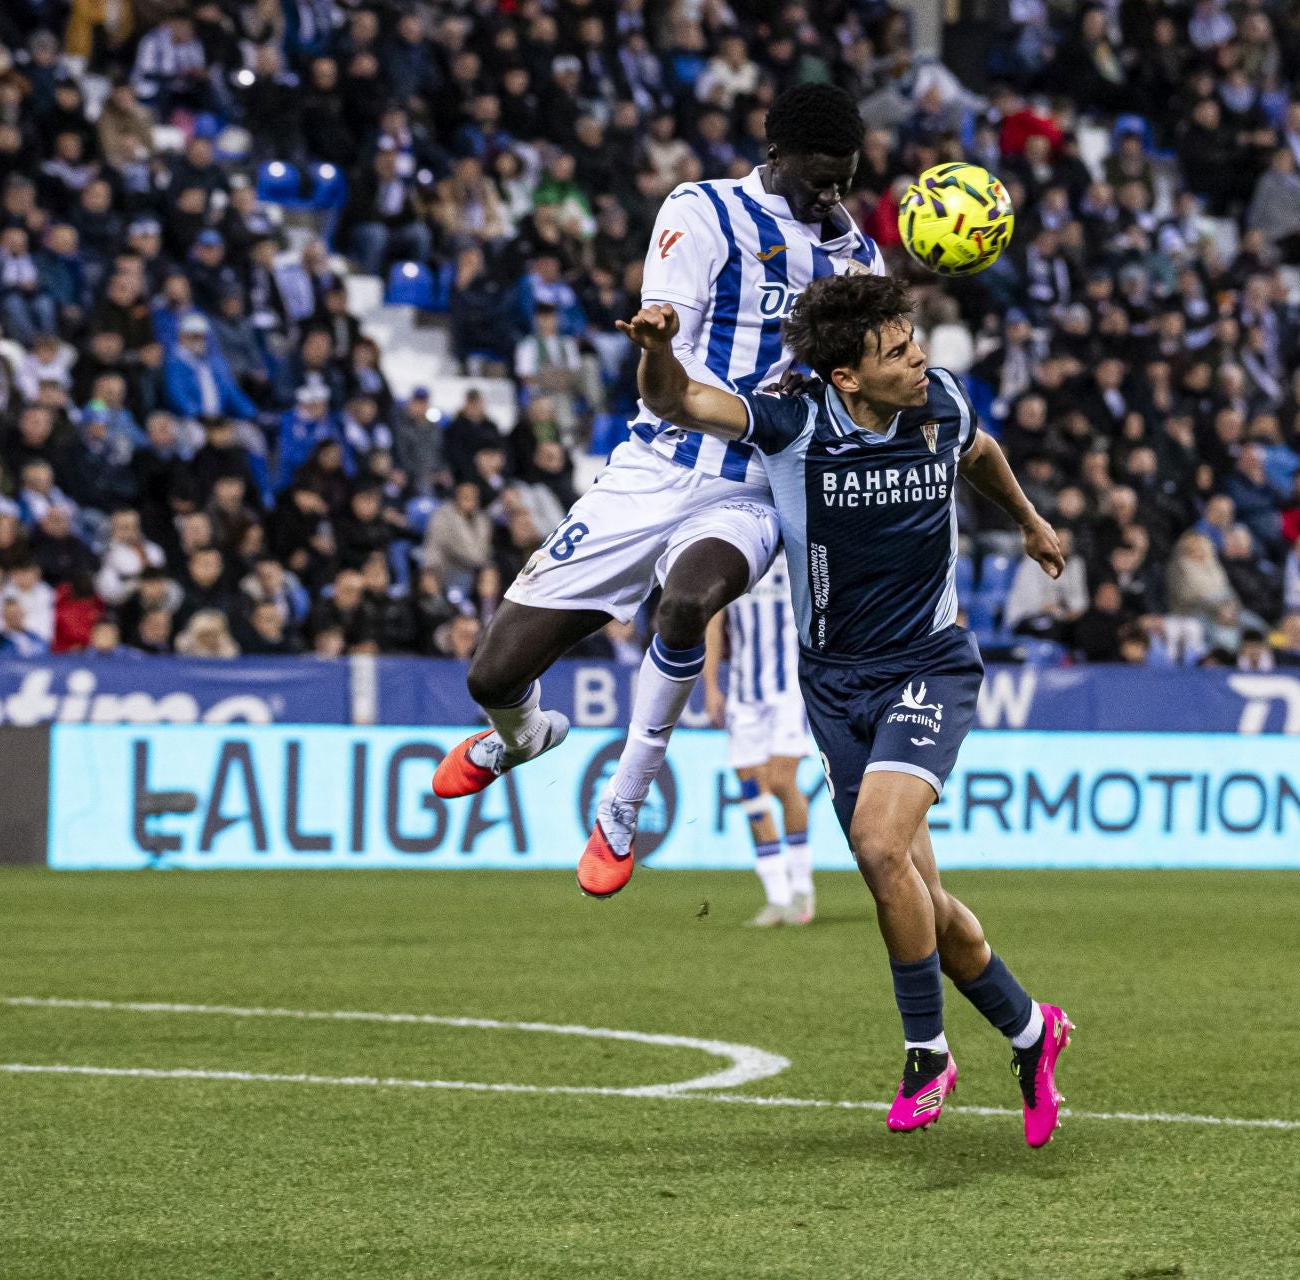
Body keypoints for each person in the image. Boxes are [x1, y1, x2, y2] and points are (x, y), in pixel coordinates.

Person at [618, 274, 1074, 1145]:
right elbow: (676, 400)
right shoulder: (793, 421)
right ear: (846, 378)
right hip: (834, 682)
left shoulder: (939, 402)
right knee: (923, 906)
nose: (919, 360)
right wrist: (658, 349)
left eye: (914, 342)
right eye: (896, 352)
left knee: (875, 845)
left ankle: (927, 1052)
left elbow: (979, 454)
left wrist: (1028, 520)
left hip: (929, 666)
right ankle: (1029, 1029)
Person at [431, 85, 879, 885]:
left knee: (687, 602)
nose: (832, 193)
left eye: (845, 177)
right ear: (776, 157)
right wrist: (657, 344)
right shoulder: (702, 211)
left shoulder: (856, 259)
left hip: (752, 484)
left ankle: (621, 808)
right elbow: (660, 370)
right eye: (819, 177)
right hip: (652, 469)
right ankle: (522, 736)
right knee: (493, 674)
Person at [703, 556, 816, 927]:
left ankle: (801, 884)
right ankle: (777, 896)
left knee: (783, 781)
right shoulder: (740, 558)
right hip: (744, 696)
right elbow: (715, 622)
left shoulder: (798, 556)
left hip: (789, 691)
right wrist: (711, 686)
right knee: (752, 789)